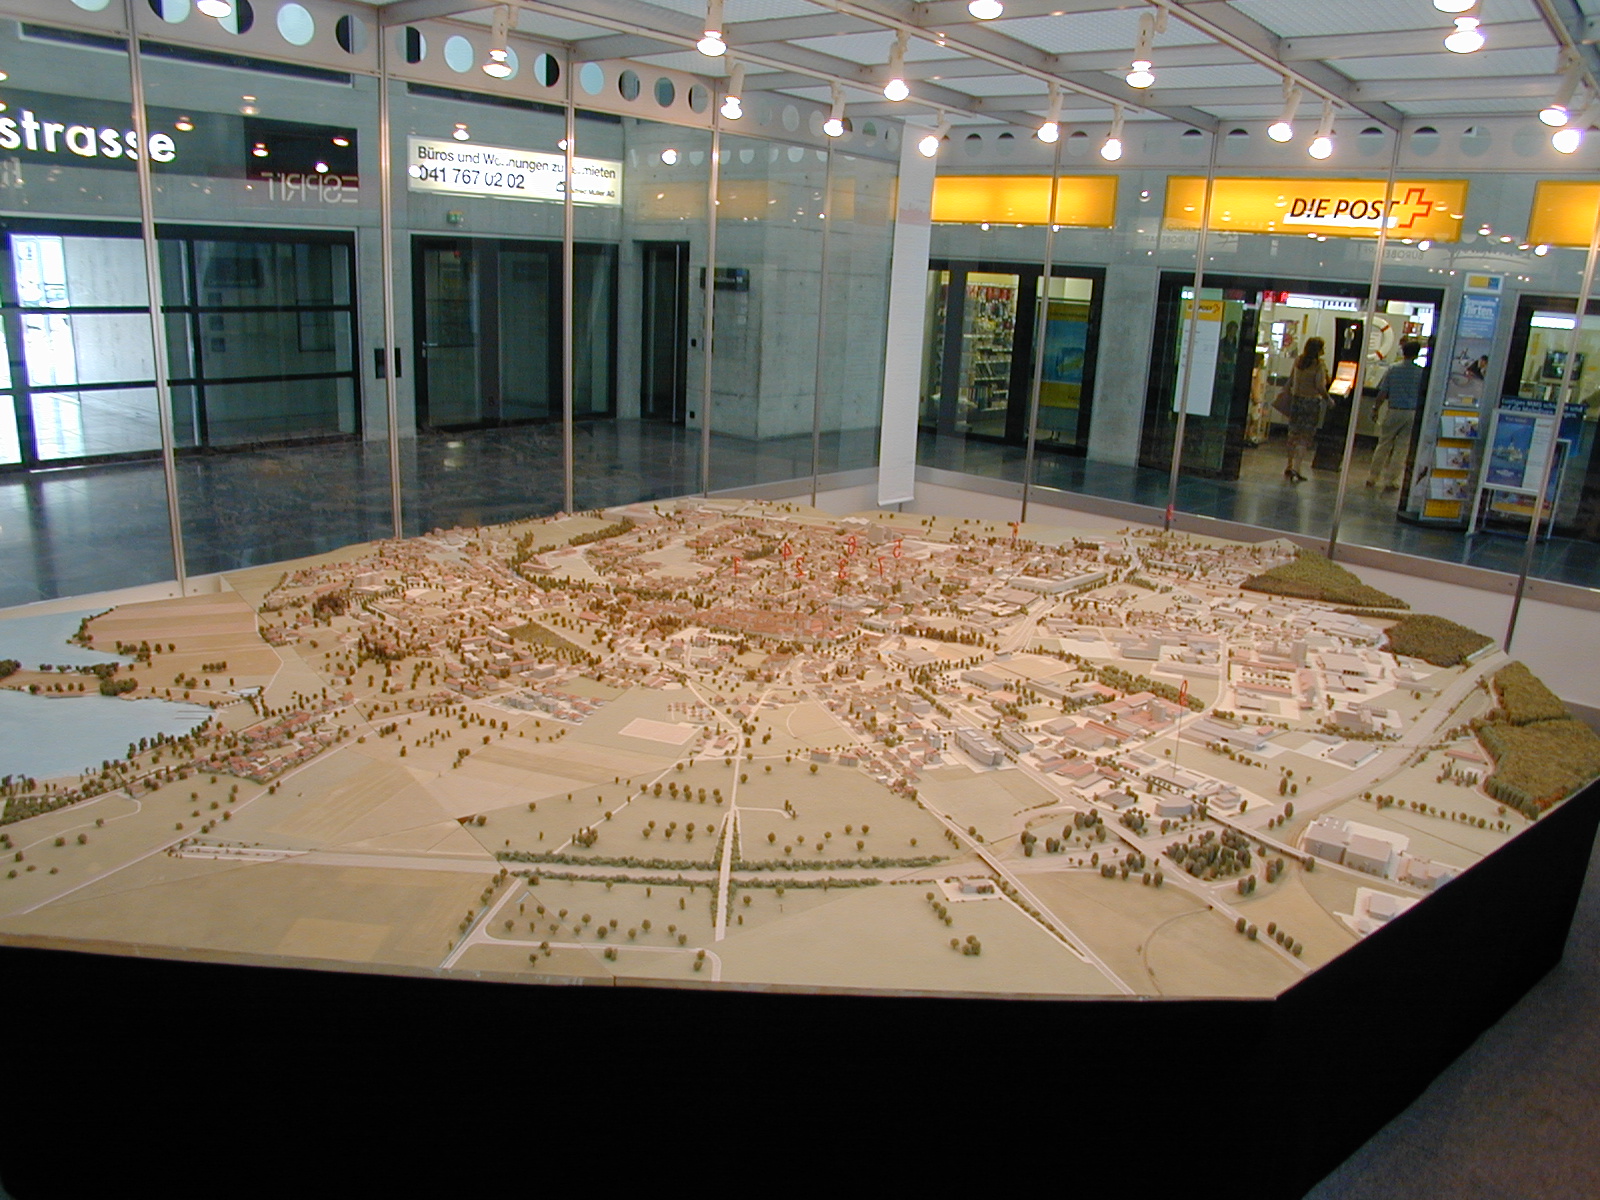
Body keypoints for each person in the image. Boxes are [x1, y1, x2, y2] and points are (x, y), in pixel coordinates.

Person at [1368, 339, 1426, 492]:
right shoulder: (1421, 373)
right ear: (1417, 354)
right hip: (1411, 413)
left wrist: (1375, 408)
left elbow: (1383, 392)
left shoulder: (1393, 369)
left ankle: (1373, 476)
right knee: (1402, 448)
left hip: (1393, 410)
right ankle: (1391, 480)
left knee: (1383, 444)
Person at [1283, 336, 1330, 482]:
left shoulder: (1298, 361)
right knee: (1305, 437)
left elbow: (1291, 379)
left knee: (1293, 434)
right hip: (1311, 402)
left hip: (1296, 400)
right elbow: (1320, 386)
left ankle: (1289, 465)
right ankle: (1297, 468)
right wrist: (1328, 399)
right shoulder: (1319, 365)